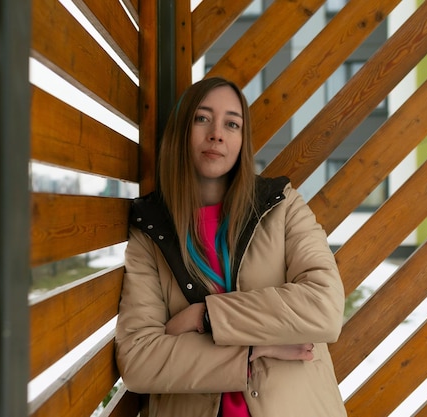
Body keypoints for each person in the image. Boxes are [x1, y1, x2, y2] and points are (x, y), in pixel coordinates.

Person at [115, 77, 347, 417]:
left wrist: (206, 316)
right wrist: (254, 347)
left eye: (232, 124)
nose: (216, 134)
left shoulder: (282, 206)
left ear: (242, 141)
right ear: (182, 132)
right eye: (202, 118)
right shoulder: (151, 230)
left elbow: (325, 307)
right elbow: (138, 360)